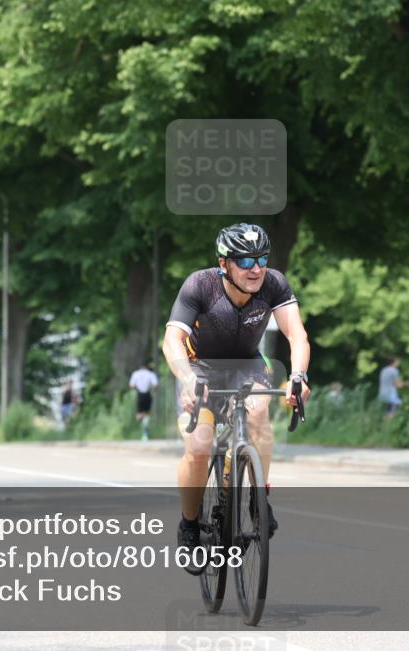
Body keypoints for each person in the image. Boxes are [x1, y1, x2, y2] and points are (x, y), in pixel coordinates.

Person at [163, 223, 310, 575]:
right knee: (199, 447)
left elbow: (297, 335)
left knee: (259, 414)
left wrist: (298, 376)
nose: (256, 267)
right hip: (198, 367)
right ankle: (189, 523)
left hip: (246, 366)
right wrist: (185, 380)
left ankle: (257, 500)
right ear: (224, 263)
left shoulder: (273, 283)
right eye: (245, 260)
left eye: (261, 257)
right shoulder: (200, 285)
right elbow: (172, 341)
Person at [129, 360, 159, 441]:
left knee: (140, 415)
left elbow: (131, 385)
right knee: (146, 414)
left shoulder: (136, 374)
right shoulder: (150, 374)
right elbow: (155, 385)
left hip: (140, 394)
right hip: (147, 394)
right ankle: (145, 432)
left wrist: (137, 388)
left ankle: (144, 432)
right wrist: (153, 390)